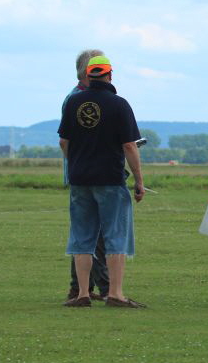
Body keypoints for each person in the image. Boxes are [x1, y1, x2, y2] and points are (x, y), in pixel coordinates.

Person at [58, 55, 146, 308]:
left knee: (81, 236)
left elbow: (64, 141)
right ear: (110, 74)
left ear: (88, 75)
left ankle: (82, 293)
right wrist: (139, 180)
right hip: (110, 178)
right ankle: (115, 294)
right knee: (115, 235)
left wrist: (75, 163)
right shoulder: (119, 105)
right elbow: (129, 145)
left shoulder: (73, 102)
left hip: (80, 179)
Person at [62, 49, 110, 304]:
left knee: (87, 232)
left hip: (81, 172)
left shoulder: (74, 98)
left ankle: (83, 288)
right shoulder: (81, 100)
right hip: (91, 174)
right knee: (96, 233)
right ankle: (103, 287)